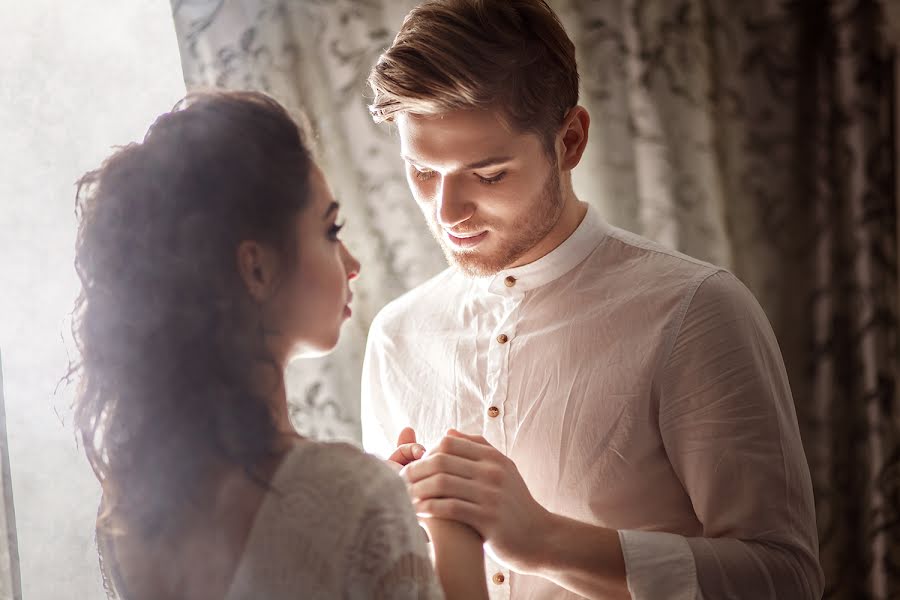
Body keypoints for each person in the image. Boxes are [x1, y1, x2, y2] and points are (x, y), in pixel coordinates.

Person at [361, 1, 824, 598]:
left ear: (570, 140)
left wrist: (543, 540)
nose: (446, 212)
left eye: (490, 173)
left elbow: (786, 580)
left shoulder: (696, 311)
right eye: (422, 172)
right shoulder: (397, 336)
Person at [70, 90, 488, 600]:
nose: (352, 263)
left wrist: (372, 516)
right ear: (257, 268)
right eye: (331, 230)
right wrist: (455, 523)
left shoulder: (128, 504)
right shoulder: (350, 494)